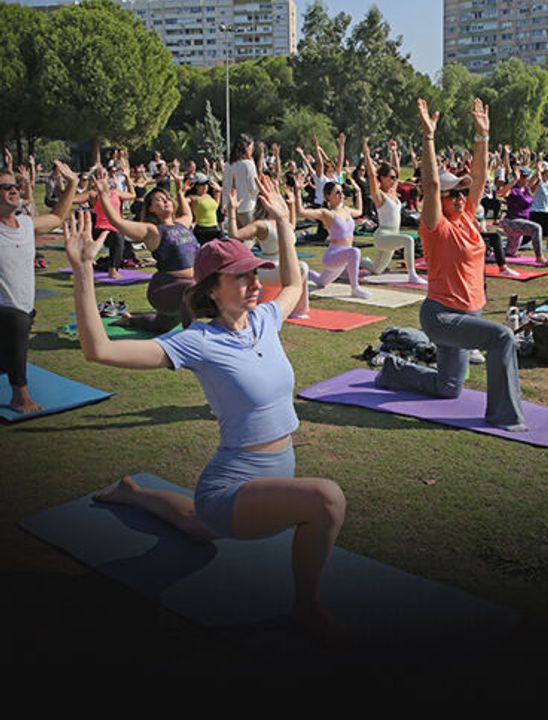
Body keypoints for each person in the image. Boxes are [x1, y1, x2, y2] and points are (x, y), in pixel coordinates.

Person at [69, 177, 346, 638]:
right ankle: (306, 606)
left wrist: (283, 221)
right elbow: (99, 351)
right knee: (326, 499)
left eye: (255, 274)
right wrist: (82, 273)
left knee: (195, 526)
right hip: (231, 486)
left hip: (272, 474)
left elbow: (294, 282)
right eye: (242, 277)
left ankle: (132, 493)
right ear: (213, 289)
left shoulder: (264, 319)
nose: (255, 283)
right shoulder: (197, 340)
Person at [375, 97, 526, 431]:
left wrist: (483, 136)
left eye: (462, 193)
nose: (459, 197)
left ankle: (393, 371)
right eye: (452, 194)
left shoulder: (468, 216)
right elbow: (430, 185)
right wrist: (429, 137)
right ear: (440, 199)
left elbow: (480, 177)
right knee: (503, 337)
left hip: (471, 312)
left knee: (448, 388)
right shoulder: (435, 226)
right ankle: (506, 417)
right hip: (442, 316)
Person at [0, 160, 78, 414]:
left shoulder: (25, 223)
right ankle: (20, 396)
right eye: (5, 187)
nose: (13, 190)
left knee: (7, 358)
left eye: (14, 186)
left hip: (24, 310)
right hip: (8, 314)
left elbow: (57, 217)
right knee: (18, 322)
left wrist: (73, 183)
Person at [94, 171, 200, 334]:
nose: (165, 200)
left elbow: (188, 214)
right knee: (196, 288)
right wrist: (103, 195)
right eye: (159, 199)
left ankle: (129, 320)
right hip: (166, 288)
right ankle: (192, 336)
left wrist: (180, 191)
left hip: (183, 292)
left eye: (167, 198)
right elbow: (117, 222)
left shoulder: (181, 224)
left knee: (160, 327)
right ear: (151, 208)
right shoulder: (152, 231)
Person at [225, 187, 312, 318]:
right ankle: (297, 310)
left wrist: (292, 203)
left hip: (282, 267)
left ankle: (299, 309)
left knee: (301, 267)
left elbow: (292, 225)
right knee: (302, 267)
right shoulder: (261, 225)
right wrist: (232, 210)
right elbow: (235, 235)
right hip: (268, 268)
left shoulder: (284, 223)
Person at [359, 138, 427, 285]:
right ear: (382, 178)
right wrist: (366, 154)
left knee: (377, 269)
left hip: (392, 236)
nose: (394, 180)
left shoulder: (393, 192)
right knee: (408, 240)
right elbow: (372, 175)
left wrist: (394, 151)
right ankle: (412, 274)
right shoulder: (379, 195)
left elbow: (396, 169)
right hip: (383, 236)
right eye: (391, 178)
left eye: (395, 178)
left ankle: (360, 260)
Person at [292, 173, 370, 299]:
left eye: (342, 192)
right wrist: (298, 190)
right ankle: (355, 288)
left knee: (321, 282)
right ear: (328, 196)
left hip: (342, 258)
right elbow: (301, 212)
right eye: (337, 192)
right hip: (333, 256)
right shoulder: (327, 213)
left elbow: (360, 211)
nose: (342, 195)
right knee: (355, 252)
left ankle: (301, 271)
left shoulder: (346, 210)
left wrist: (358, 191)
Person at [223, 134, 258, 229]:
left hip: (232, 208)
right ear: (246, 148)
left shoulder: (227, 165)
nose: (252, 150)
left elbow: (225, 188)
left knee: (235, 236)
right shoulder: (248, 164)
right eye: (251, 148)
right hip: (247, 207)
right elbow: (253, 188)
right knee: (250, 235)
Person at [189, 172, 223, 244]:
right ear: (196, 186)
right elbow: (181, 201)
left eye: (206, 184)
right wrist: (181, 190)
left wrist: (218, 191)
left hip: (214, 227)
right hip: (202, 230)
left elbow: (216, 205)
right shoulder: (193, 198)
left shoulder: (209, 196)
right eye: (202, 184)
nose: (205, 186)